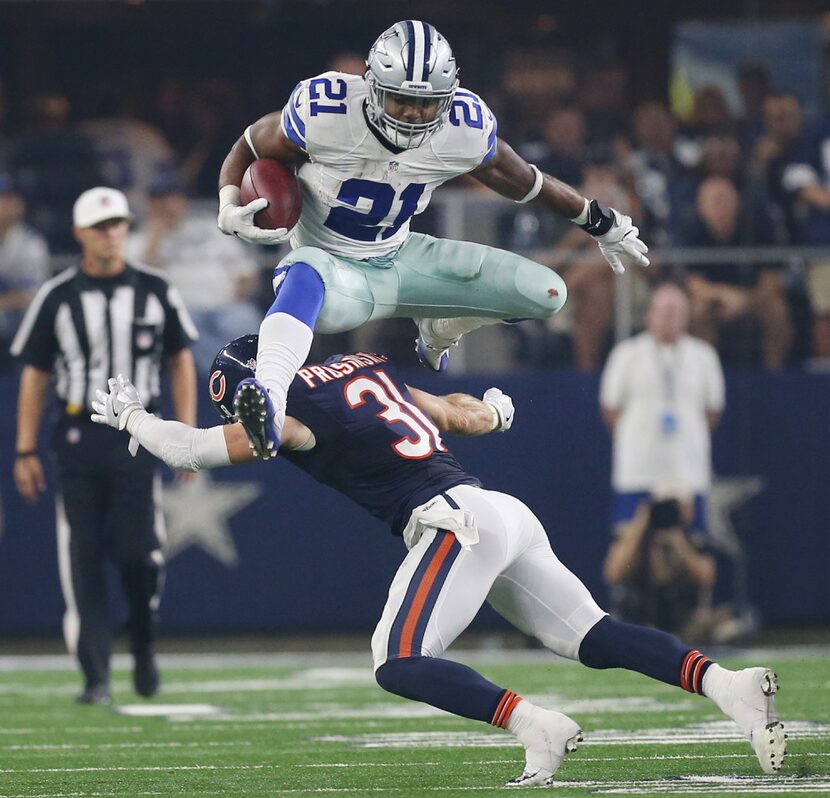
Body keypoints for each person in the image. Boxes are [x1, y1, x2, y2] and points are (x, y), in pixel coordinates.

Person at [91, 338, 784, 785]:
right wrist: (497, 414)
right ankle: (729, 686)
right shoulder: (364, 368)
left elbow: (187, 450)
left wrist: (131, 419)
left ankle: (533, 722)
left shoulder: (289, 410)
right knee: (592, 636)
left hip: (452, 523)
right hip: (499, 512)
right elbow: (461, 416)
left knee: (396, 660)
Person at [215, 20, 649, 458]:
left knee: (548, 291)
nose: (413, 113)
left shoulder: (463, 125)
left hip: (403, 257)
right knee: (305, 271)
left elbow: (526, 181)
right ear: (371, 85)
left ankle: (443, 326)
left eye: (426, 103)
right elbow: (251, 144)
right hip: (338, 275)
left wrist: (598, 220)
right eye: (401, 99)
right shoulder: (328, 111)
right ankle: (269, 400)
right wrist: (229, 200)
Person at [10, 186, 198, 705]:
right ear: (79, 234)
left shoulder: (157, 290)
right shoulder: (57, 296)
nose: (110, 233)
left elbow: (181, 357)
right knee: (83, 557)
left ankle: (142, 637)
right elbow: (34, 372)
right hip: (77, 437)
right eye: (99, 226)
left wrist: (187, 432)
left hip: (138, 436)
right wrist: (25, 449)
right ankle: (95, 674)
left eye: (117, 223)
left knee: (139, 553)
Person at [600, 283, 725, 537]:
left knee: (690, 546)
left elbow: (712, 412)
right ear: (649, 315)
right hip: (638, 472)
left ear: (687, 317)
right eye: (664, 310)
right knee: (631, 547)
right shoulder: (626, 354)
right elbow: (610, 409)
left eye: (677, 311)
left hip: (687, 473)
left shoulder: (704, 356)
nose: (670, 317)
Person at [126, 170, 263, 370]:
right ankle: (227, 377)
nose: (169, 204)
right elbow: (140, 281)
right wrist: (157, 233)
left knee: (245, 320)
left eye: (174, 197)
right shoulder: (139, 239)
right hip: (182, 311)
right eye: (161, 198)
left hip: (228, 306)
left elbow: (246, 272)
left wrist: (235, 297)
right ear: (151, 203)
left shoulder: (211, 226)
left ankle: (254, 377)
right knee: (186, 331)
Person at [679, 176, 792, 369]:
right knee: (698, 311)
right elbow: (694, 284)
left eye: (725, 200)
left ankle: (774, 374)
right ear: (701, 206)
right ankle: (707, 373)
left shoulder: (758, 228)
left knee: (777, 310)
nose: (720, 207)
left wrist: (745, 300)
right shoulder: (692, 231)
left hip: (753, 297)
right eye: (714, 201)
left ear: (737, 203)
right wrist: (725, 296)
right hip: (714, 299)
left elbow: (772, 281)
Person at [603, 487, 733, 642]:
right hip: (637, 621)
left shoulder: (694, 540)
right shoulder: (634, 539)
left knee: (728, 629)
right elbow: (613, 573)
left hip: (684, 623)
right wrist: (640, 524)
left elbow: (705, 578)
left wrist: (678, 542)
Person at [0, 174, 51, 369]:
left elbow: (34, 295)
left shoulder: (31, 243)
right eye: (3, 199)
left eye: (12, 199)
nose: (7, 205)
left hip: (21, 330)